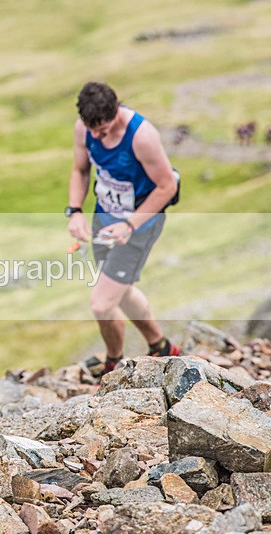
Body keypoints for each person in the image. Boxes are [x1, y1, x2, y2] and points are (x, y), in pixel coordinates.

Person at [66, 81, 180, 376]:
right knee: (120, 289)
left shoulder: (142, 136)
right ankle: (162, 346)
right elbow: (80, 169)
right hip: (104, 219)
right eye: (91, 130)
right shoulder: (85, 129)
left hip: (139, 224)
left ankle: (113, 365)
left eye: (102, 131)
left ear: (116, 112)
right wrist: (75, 211)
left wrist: (129, 225)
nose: (96, 137)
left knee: (102, 303)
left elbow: (168, 186)